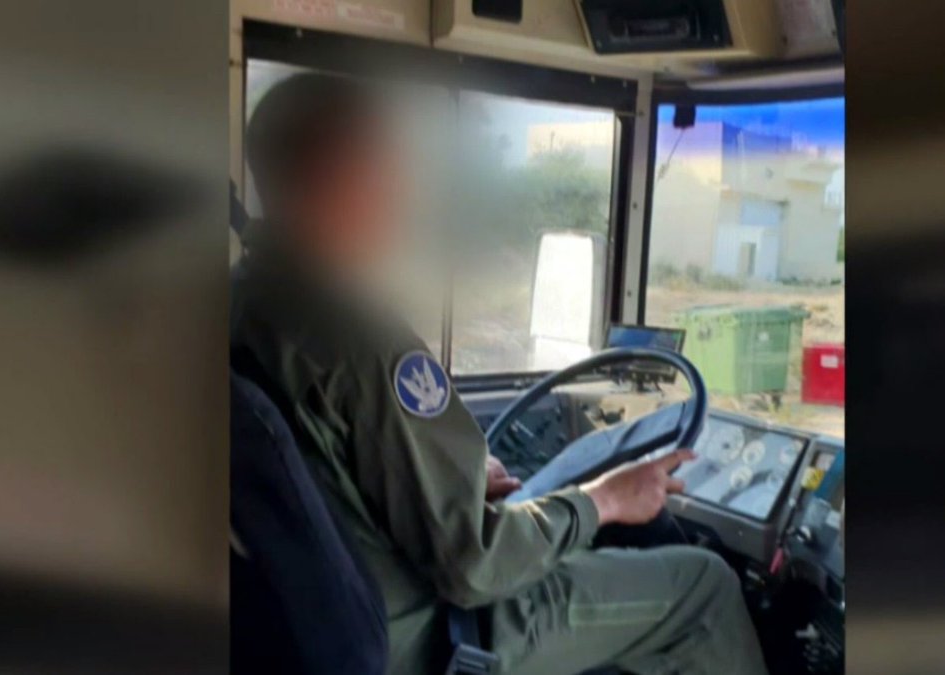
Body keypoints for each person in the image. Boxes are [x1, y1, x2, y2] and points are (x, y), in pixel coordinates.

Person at [231, 73, 768, 675]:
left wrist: (450, 484)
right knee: (703, 586)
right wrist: (606, 499)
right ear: (354, 176)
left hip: (315, 623)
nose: (406, 194)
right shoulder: (358, 338)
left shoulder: (240, 302)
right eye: (394, 168)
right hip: (428, 630)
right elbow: (474, 564)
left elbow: (335, 481)